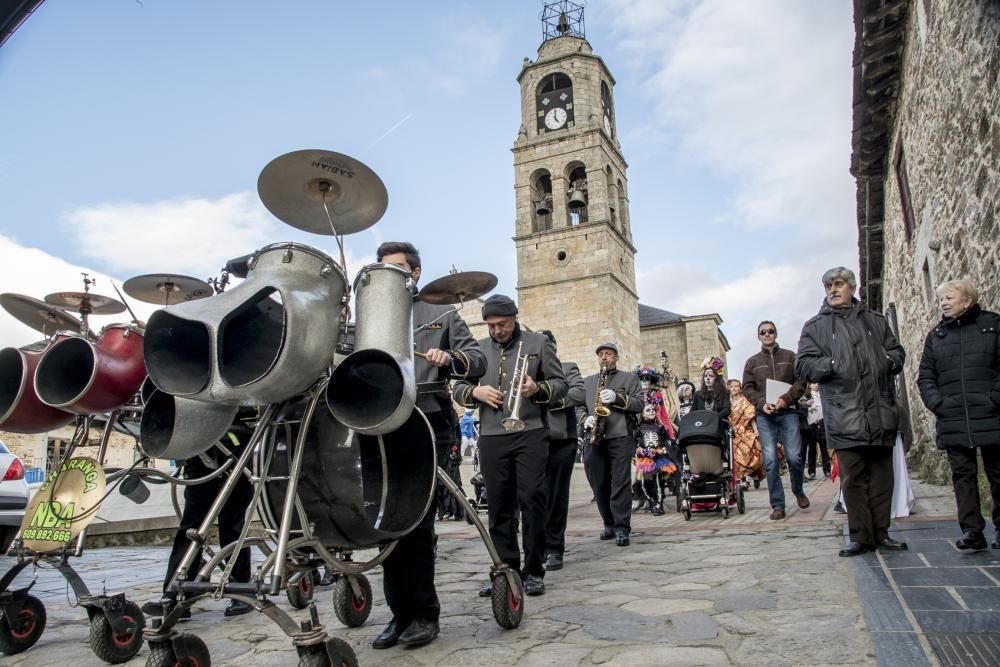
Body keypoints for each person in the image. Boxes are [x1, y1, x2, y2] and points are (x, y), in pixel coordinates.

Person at [370, 241, 487, 649]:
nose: (390, 274)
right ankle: (398, 615)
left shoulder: (441, 311)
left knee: (417, 520)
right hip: (380, 423)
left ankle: (423, 613)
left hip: (427, 417)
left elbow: (477, 360)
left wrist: (449, 359)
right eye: (383, 267)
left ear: (415, 273)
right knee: (386, 519)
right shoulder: (372, 314)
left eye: (398, 268)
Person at [453, 294, 566, 597]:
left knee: (532, 500)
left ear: (514, 318)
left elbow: (561, 385)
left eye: (501, 324)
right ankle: (507, 570)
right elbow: (459, 388)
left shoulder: (538, 343)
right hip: (491, 435)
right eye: (490, 325)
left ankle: (533, 570)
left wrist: (537, 388)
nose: (496, 330)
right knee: (499, 505)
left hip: (530, 431)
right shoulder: (477, 349)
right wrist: (475, 393)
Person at [796, 266, 907, 557]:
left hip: (879, 410)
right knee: (853, 479)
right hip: (845, 413)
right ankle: (860, 536)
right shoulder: (815, 326)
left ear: (852, 287)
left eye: (838, 284)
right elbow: (804, 365)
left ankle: (882, 533)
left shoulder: (876, 321)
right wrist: (833, 364)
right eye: (828, 286)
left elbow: (897, 354)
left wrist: (884, 360)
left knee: (883, 478)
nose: (833, 290)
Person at [142, 418, 256, 619]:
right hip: (199, 450)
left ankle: (241, 588)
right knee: (191, 525)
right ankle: (176, 594)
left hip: (236, 448)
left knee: (232, 523)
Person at [917, 279, 1000, 551]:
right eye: (942, 298)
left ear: (967, 300)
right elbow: (926, 376)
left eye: (949, 298)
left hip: (991, 413)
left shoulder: (992, 326)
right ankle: (972, 531)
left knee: (997, 472)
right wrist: (938, 403)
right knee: (962, 476)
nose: (943, 302)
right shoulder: (936, 336)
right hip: (952, 416)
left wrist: (994, 399)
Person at [741, 322, 808, 521]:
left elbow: (800, 382)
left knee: (794, 457)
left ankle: (798, 489)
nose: (767, 334)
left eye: (770, 331)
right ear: (759, 336)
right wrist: (762, 404)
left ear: (775, 334)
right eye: (763, 332)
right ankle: (778, 505)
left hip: (788, 412)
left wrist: (785, 399)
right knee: (770, 461)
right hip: (765, 416)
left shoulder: (790, 356)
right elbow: (747, 387)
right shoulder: (752, 362)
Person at [581, 343, 643, 546]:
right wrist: (584, 419)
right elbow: (578, 407)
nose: (604, 358)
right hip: (595, 437)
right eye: (600, 355)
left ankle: (622, 526)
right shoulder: (588, 382)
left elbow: (639, 404)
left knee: (620, 483)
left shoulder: (629, 378)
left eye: (608, 354)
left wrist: (618, 398)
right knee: (598, 482)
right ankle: (608, 522)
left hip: (620, 435)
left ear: (616, 357)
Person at [537, 329, 585, 571]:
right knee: (535, 497)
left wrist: (549, 397)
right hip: (532, 439)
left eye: (547, 344)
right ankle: (537, 547)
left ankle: (554, 548)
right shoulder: (529, 371)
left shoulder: (568, 367)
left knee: (556, 496)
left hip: (560, 439)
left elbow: (578, 392)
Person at [633, 403, 677, 515]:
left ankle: (659, 504)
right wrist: (640, 450)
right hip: (644, 460)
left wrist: (663, 450)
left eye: (653, 409)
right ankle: (651, 501)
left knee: (657, 480)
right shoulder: (638, 428)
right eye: (648, 410)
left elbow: (666, 442)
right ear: (642, 414)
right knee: (643, 482)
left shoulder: (660, 427)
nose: (652, 411)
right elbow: (634, 444)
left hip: (659, 459)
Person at [727, 379, 764, 490]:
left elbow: (751, 417)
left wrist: (756, 430)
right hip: (732, 431)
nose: (733, 388)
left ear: (740, 388)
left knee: (750, 453)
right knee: (736, 455)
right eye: (731, 386)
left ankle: (755, 475)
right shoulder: (727, 401)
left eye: (736, 386)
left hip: (745, 429)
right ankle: (742, 480)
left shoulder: (744, 401)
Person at [799, 383, 831, 480]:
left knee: (824, 447)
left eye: (817, 383)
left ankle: (827, 469)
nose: (815, 385)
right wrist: (808, 408)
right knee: (811, 448)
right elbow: (801, 409)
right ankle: (811, 471)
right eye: (813, 383)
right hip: (809, 424)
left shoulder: (823, 393)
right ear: (809, 384)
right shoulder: (806, 395)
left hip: (821, 422)